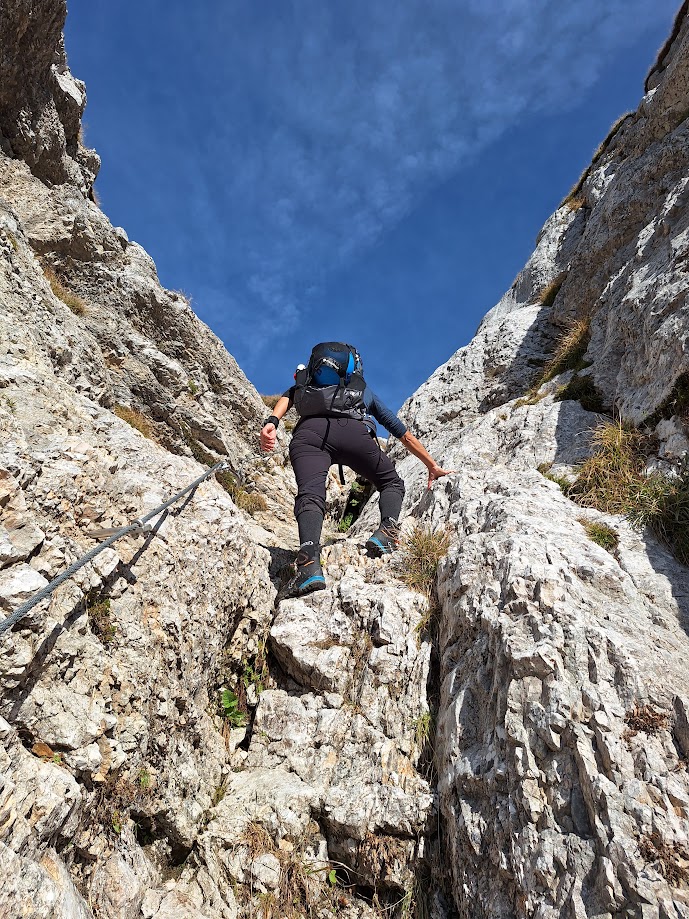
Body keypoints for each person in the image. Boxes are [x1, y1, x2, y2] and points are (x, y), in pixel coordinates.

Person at [260, 342, 452, 598]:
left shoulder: (306, 383)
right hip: (353, 434)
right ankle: (386, 532)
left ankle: (309, 565)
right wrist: (431, 464)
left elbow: (289, 396)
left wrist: (272, 422)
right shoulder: (361, 390)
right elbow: (399, 431)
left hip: (308, 435)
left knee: (310, 494)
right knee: (391, 482)